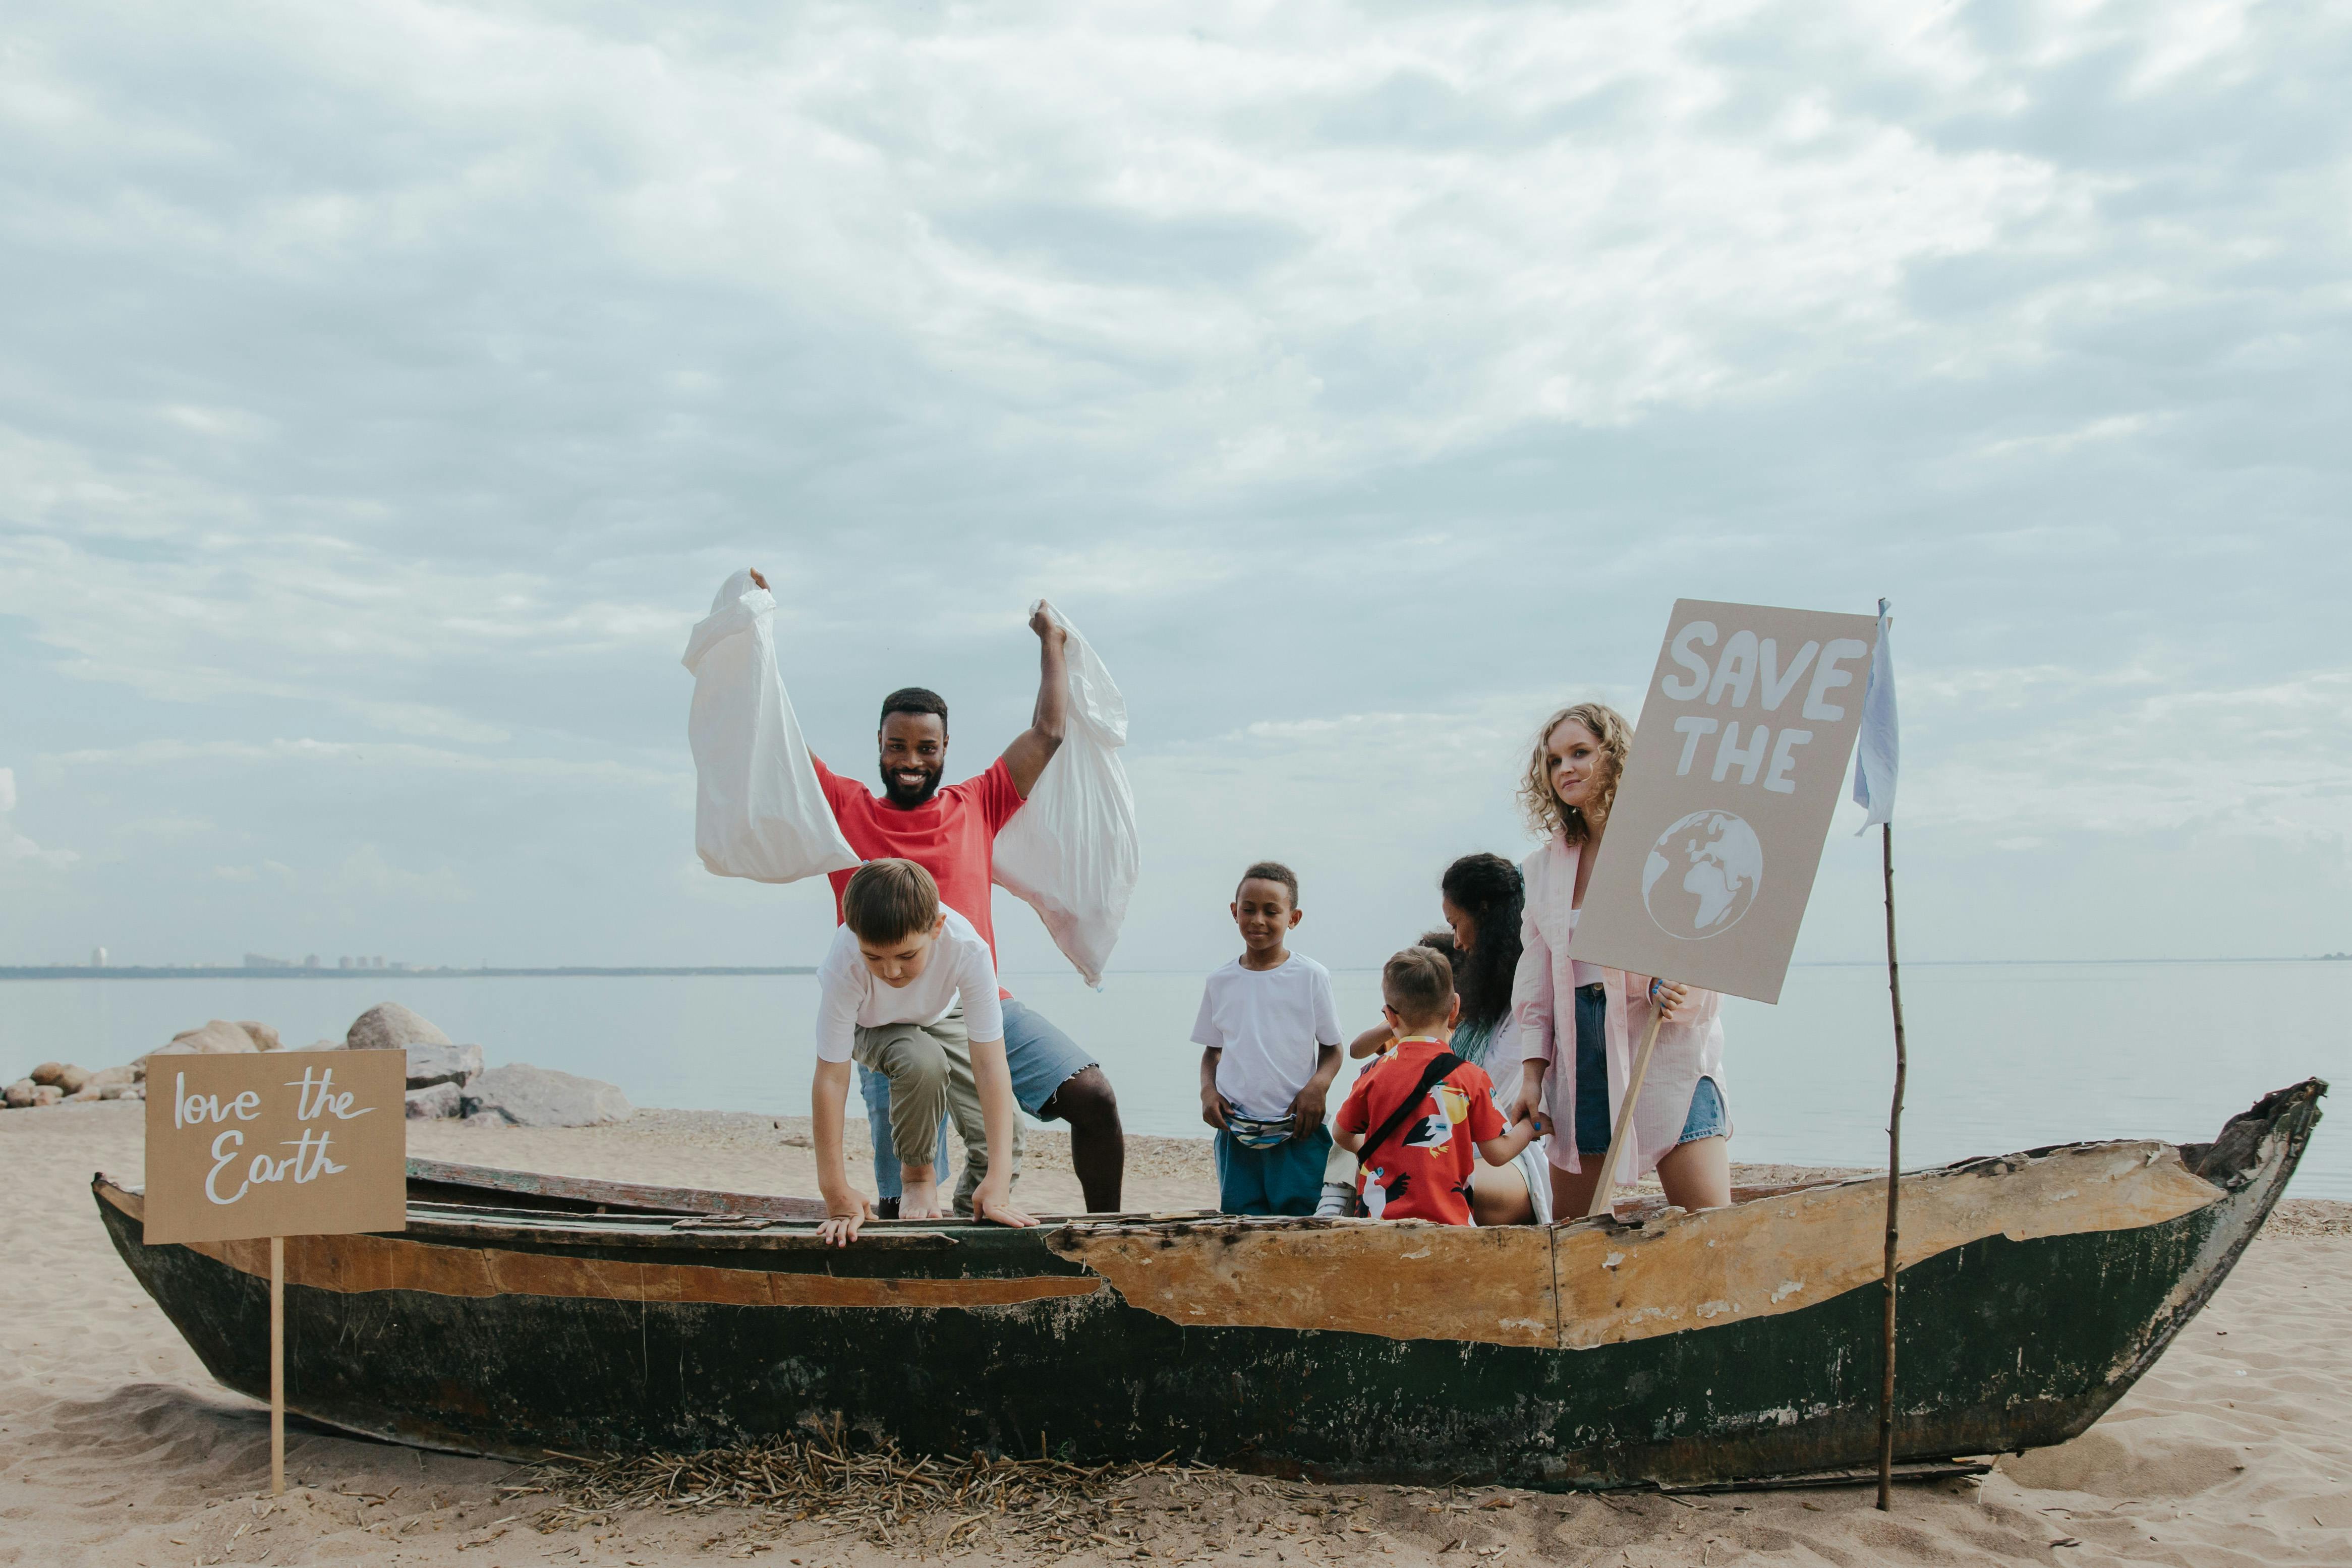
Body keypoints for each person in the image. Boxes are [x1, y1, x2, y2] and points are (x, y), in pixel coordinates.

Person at [754, 570, 1125, 1214]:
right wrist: (757, 630)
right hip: (888, 1010)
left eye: (926, 747)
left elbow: (1049, 734)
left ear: (945, 747)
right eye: (897, 745)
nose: (910, 759)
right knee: (906, 1196)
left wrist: (1052, 645)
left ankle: (1109, 1238)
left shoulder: (977, 802)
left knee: (1093, 1096)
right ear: (878, 744)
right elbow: (777, 740)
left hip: (978, 1000)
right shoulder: (843, 808)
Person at [1507, 702, 1731, 1220]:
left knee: (1710, 1225)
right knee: (1574, 1237)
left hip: (1664, 1043)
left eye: (1580, 752)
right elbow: (1534, 986)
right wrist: (1533, 1077)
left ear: (1616, 756)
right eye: (1554, 759)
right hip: (1578, 1055)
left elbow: (1705, 936)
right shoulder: (1540, 870)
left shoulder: (1669, 845)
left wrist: (1674, 985)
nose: (1565, 768)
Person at [811, 860, 1037, 1243]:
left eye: (906, 956)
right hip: (872, 1023)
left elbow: (989, 1062)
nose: (892, 972)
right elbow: (831, 1078)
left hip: (941, 1012)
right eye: (874, 958)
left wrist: (997, 1179)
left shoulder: (967, 948)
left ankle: (971, 1221)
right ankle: (917, 1174)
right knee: (922, 1061)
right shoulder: (845, 961)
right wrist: (835, 1192)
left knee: (1007, 1128)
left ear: (936, 927)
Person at [1327, 853, 1551, 1225]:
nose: (1459, 943)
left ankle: (1336, 1210)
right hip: (1463, 1154)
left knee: (1383, 1155)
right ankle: (1334, 1209)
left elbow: (1496, 1148)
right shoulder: (1462, 1027)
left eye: (1456, 925)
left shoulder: (1530, 1003)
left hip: (1501, 1163)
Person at [1191, 861, 1345, 1216]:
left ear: (1293, 917)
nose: (1257, 919)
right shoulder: (1220, 981)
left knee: (1300, 1219)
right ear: (1234, 912)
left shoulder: (1310, 976)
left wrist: (1317, 1088)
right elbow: (1212, 1052)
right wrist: (1207, 1092)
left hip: (1297, 1127)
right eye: (1248, 909)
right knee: (1241, 1220)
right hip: (1236, 1129)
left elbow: (1332, 1047)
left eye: (1271, 911)